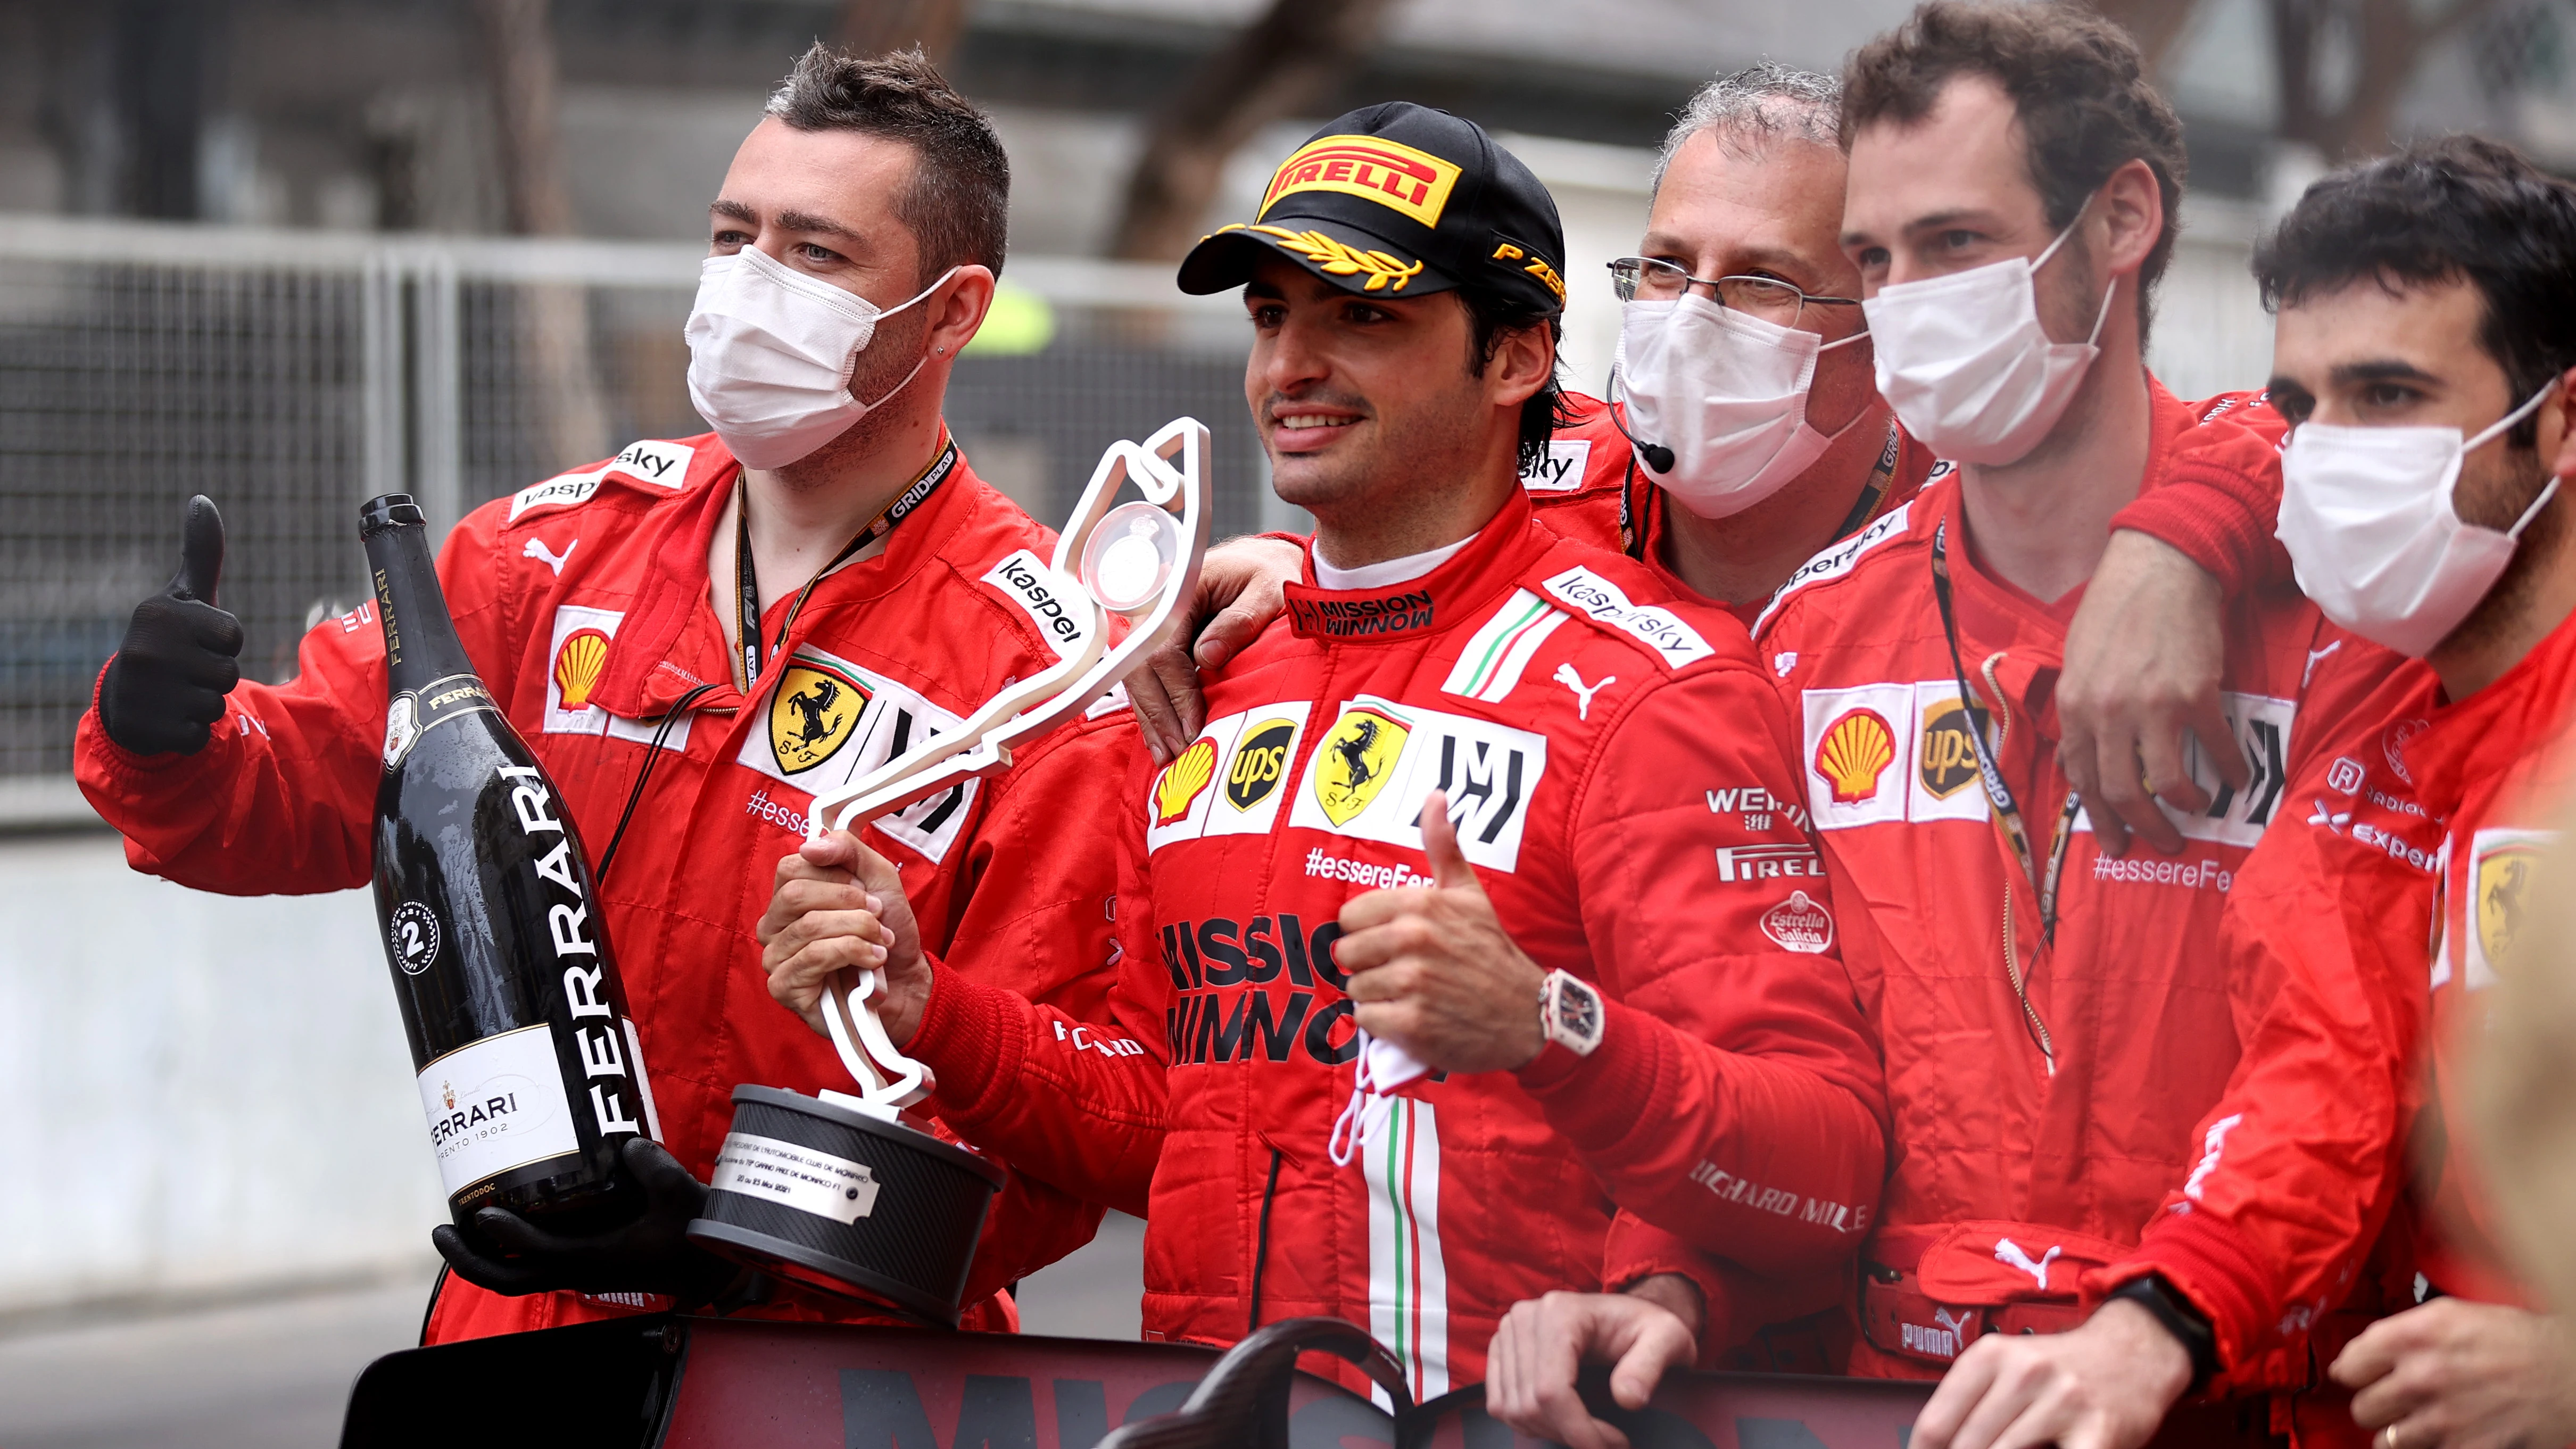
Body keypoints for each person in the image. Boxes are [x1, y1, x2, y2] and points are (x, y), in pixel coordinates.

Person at [756, 102, 1888, 1402]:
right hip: (1220, 1418)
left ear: (1519, 357)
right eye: (1269, 315)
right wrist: (930, 1007)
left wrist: (1545, 1025)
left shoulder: (1646, 686)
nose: (1292, 362)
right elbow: (1163, 1122)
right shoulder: (1213, 681)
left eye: (1365, 316)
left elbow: (1827, 1166)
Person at [74, 45, 1122, 1342]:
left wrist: (740, 1252)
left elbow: (1088, 1122)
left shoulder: (1050, 669)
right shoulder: (548, 550)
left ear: (953, 311)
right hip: (522, 1325)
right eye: (731, 235)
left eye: (814, 253)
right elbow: (291, 792)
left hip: (835, 1365)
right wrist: (158, 729)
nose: (747, 285)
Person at [1493, 7, 2415, 1446]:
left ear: (2121, 222)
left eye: (1956, 244)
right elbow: (1784, 1061)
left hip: (2249, 1396)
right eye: (1874, 259)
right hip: (1912, 1411)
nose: (1908, 298)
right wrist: (1668, 1284)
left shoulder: (2342, 610)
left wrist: (2164, 1318)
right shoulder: (1807, 641)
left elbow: (2351, 1058)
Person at [1125, 65, 2290, 870]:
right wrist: (1299, 566)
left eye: (1758, 283)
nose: (1689, 320)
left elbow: (2278, 430)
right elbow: (1409, 488)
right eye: (1666, 268)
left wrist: (2178, 538)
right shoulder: (1554, 474)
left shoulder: (1977, 492)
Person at [2240, 136, 2576, 1449]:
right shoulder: (2372, 719)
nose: (2324, 452)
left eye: (2387, 393)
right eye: (2296, 406)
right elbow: (2307, 1087)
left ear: (2558, 419)